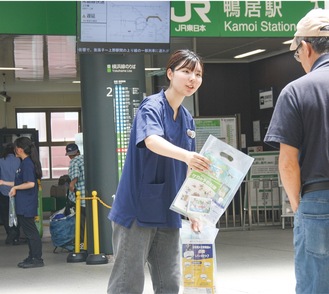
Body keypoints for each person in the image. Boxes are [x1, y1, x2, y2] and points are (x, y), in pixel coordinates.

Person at [107, 49, 211, 294]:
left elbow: (189, 168)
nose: (192, 78)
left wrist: (193, 210)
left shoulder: (187, 118)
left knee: (170, 283)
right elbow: (152, 140)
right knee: (127, 284)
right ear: (170, 73)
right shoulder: (151, 106)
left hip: (169, 210)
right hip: (137, 210)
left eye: (197, 74)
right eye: (185, 71)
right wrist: (186, 155)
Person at [264, 8, 329, 294]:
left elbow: (288, 163)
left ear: (305, 47)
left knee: (316, 284)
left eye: (296, 53)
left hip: (318, 199)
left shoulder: (296, 91)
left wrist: (298, 207)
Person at [9, 137, 44, 268]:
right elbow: (19, 182)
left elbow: (30, 183)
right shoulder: (24, 163)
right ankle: (32, 256)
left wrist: (15, 188)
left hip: (27, 203)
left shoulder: (27, 163)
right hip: (23, 203)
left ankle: (37, 258)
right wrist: (6, 184)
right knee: (29, 232)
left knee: (31, 232)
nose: (14, 151)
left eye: (14, 148)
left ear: (19, 149)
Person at [0, 143, 21, 245]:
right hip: (18, 191)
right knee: (17, 213)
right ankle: (16, 235)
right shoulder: (19, 160)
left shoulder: (1, 161)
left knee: (5, 214)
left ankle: (10, 233)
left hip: (4, 191)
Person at [65, 143, 85, 245]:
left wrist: (71, 185)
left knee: (80, 222)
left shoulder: (73, 162)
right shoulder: (84, 158)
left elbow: (75, 177)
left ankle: (80, 243)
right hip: (89, 197)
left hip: (79, 198)